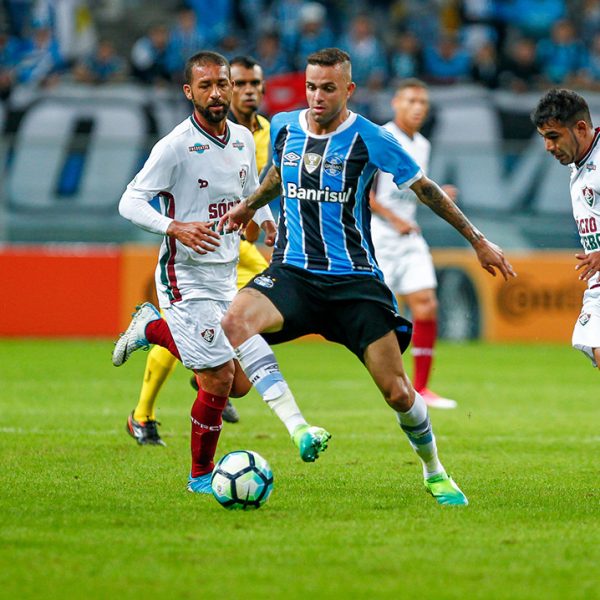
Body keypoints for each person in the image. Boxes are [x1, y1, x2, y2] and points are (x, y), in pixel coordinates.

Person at [218, 48, 517, 506]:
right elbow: (278, 174)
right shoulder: (282, 126)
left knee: (398, 393)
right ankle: (299, 428)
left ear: (349, 90)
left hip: (354, 283)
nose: (317, 97)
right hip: (294, 274)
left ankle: (434, 470)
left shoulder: (371, 138)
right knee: (232, 326)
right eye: (311, 87)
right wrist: (249, 206)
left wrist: (477, 239)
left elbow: (426, 189)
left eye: (328, 88)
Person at [112, 50, 277, 494]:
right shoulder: (174, 146)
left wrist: (262, 221)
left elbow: (246, 194)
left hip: (226, 274)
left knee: (239, 385)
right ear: (189, 92)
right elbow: (129, 201)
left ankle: (150, 328)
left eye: (222, 83)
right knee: (218, 378)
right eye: (205, 86)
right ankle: (200, 476)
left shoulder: (242, 138)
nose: (217, 92)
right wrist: (175, 227)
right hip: (184, 276)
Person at [370, 78, 458, 409]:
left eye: (423, 103)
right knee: (383, 314)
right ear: (395, 103)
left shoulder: (422, 144)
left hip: (410, 235)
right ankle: (394, 385)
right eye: (411, 101)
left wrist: (435, 195)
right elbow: (366, 192)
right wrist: (393, 219)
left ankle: (422, 388)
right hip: (380, 234)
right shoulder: (381, 137)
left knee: (426, 304)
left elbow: (410, 189)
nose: (418, 108)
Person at [531, 88, 600, 369]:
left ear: (581, 128)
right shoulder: (581, 164)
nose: (548, 147)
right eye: (545, 138)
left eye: (554, 137)